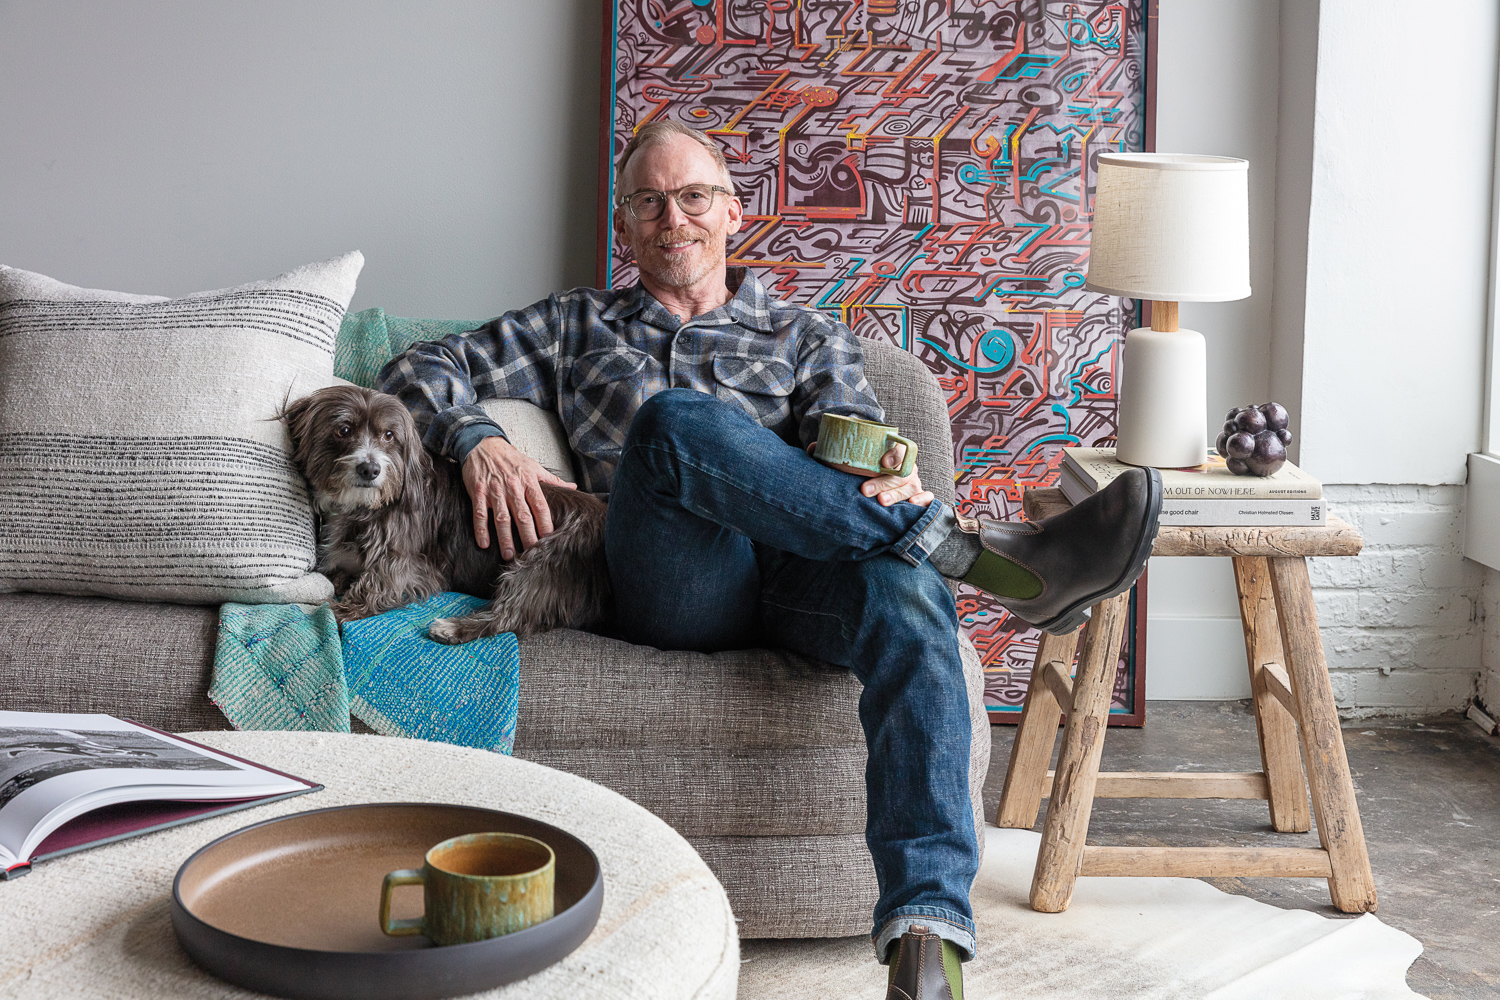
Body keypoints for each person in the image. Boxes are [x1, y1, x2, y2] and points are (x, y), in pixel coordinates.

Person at [380, 120, 1162, 999]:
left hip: (801, 581)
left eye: (694, 196)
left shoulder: (804, 337)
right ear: (629, 225)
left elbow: (867, 454)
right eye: (650, 201)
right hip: (670, 583)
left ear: (731, 211)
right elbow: (416, 367)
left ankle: (927, 945)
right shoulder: (574, 325)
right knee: (675, 424)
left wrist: (892, 473)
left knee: (907, 595)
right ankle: (985, 560)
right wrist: (476, 434)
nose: (673, 217)